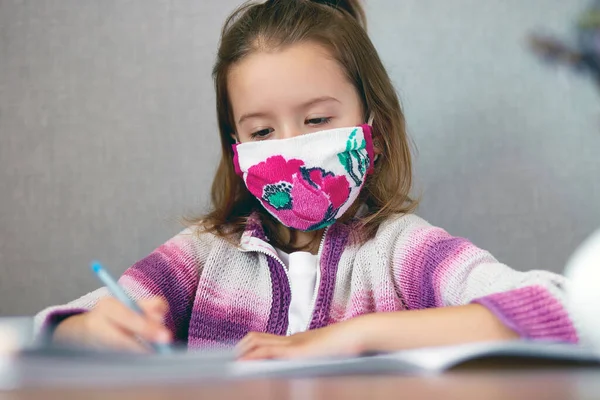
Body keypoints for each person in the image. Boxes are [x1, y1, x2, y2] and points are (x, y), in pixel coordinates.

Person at [36, 0, 579, 360]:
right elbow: (55, 329)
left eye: (317, 120)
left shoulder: (400, 252)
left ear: (376, 130)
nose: (290, 147)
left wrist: (356, 336)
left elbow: (554, 309)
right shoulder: (201, 258)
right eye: (262, 129)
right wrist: (89, 330)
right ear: (237, 149)